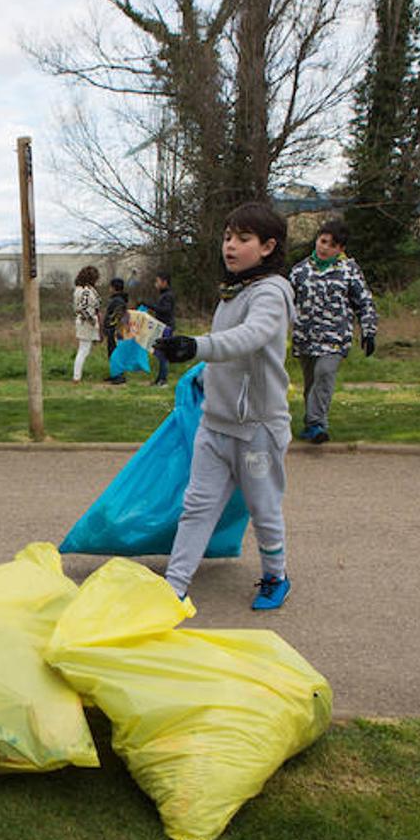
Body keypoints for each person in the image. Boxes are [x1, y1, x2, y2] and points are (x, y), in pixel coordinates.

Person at [154, 202, 295, 610]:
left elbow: (248, 338)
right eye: (228, 237)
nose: (230, 246)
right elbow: (228, 348)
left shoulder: (271, 293)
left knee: (263, 507)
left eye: (243, 239)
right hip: (215, 426)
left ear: (268, 247)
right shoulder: (233, 291)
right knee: (196, 506)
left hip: (257, 431)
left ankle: (275, 575)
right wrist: (200, 373)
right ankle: (173, 587)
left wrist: (197, 348)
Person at [288, 218, 378, 444]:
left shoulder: (349, 271)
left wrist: (368, 330)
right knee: (312, 382)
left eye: (331, 245)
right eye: (322, 241)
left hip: (335, 337)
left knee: (325, 373)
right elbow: (284, 303)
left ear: (340, 249)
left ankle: (318, 423)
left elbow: (364, 301)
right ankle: (312, 425)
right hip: (306, 337)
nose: (324, 247)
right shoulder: (300, 271)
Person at [72, 266, 102, 382]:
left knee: (84, 349)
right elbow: (83, 308)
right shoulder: (86, 291)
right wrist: (92, 320)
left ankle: (77, 376)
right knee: (84, 349)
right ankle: (76, 377)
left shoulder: (79, 289)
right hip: (86, 322)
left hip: (82, 321)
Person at [149, 273, 176, 387]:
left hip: (166, 328)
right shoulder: (163, 295)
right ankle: (159, 378)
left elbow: (165, 310)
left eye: (158, 281)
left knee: (163, 354)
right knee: (160, 354)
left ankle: (163, 380)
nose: (156, 284)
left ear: (164, 282)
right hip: (161, 326)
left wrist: (150, 305)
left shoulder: (168, 296)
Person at [102, 277, 129, 384]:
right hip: (112, 330)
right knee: (112, 352)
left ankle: (120, 376)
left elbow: (117, 316)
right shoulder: (117, 299)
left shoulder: (118, 300)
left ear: (113, 288)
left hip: (115, 331)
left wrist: (112, 328)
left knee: (115, 353)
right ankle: (115, 374)